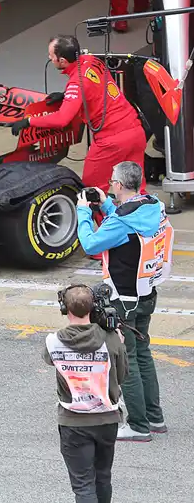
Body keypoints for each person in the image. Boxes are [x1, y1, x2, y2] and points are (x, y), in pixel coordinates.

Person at [76, 161, 173, 442]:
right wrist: (106, 205)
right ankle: (155, 418)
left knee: (127, 361)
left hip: (123, 298)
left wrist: (84, 211)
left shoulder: (120, 222)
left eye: (111, 182)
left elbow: (92, 244)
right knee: (143, 354)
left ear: (118, 184)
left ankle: (139, 426)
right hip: (146, 293)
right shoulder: (153, 205)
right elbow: (128, 224)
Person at [8, 35, 147, 193]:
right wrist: (66, 95)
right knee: (136, 190)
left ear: (62, 61)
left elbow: (62, 119)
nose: (49, 58)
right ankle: (151, 216)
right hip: (135, 131)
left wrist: (29, 121)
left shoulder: (76, 82)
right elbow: (94, 84)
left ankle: (100, 219)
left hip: (111, 140)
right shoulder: (91, 59)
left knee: (90, 192)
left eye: (51, 56)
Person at [44, 284, 128, 503]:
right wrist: (119, 344)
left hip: (73, 422)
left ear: (65, 309)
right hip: (107, 418)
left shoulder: (53, 341)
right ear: (94, 308)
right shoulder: (110, 340)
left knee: (83, 485)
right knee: (103, 478)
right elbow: (122, 376)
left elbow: (48, 359)